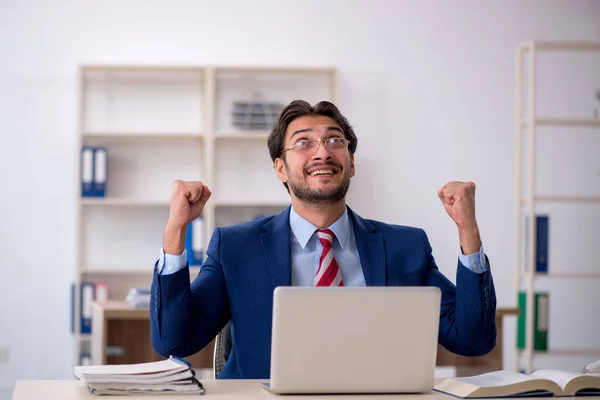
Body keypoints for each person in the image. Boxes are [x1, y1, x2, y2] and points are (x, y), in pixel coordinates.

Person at [150, 100, 497, 379]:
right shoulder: (236, 247)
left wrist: (468, 232)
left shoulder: (405, 248)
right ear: (281, 169)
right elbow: (174, 339)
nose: (322, 152)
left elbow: (471, 339)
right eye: (303, 142)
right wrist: (174, 232)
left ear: (351, 163)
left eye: (335, 141)